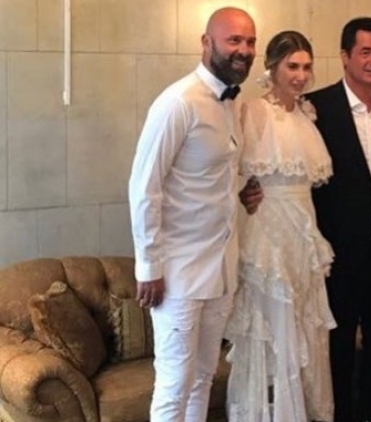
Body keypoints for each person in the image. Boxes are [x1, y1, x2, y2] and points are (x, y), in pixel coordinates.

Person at [128, 7, 256, 422]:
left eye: (250, 41)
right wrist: (149, 266)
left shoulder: (233, 103)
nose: (244, 50)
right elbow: (144, 186)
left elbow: (212, 176)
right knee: (175, 383)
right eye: (234, 40)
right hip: (179, 272)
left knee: (204, 377)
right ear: (206, 42)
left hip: (222, 268)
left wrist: (243, 189)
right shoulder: (178, 102)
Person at [224, 31, 336, 422]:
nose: (301, 75)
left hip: (303, 231)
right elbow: (230, 167)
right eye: (292, 66)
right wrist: (243, 191)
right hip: (268, 232)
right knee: (274, 328)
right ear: (272, 67)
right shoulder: (254, 110)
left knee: (305, 325)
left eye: (306, 67)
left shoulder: (307, 115)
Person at [305, 17, 371, 422]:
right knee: (339, 344)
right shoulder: (317, 107)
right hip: (338, 249)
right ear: (345, 56)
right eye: (365, 52)